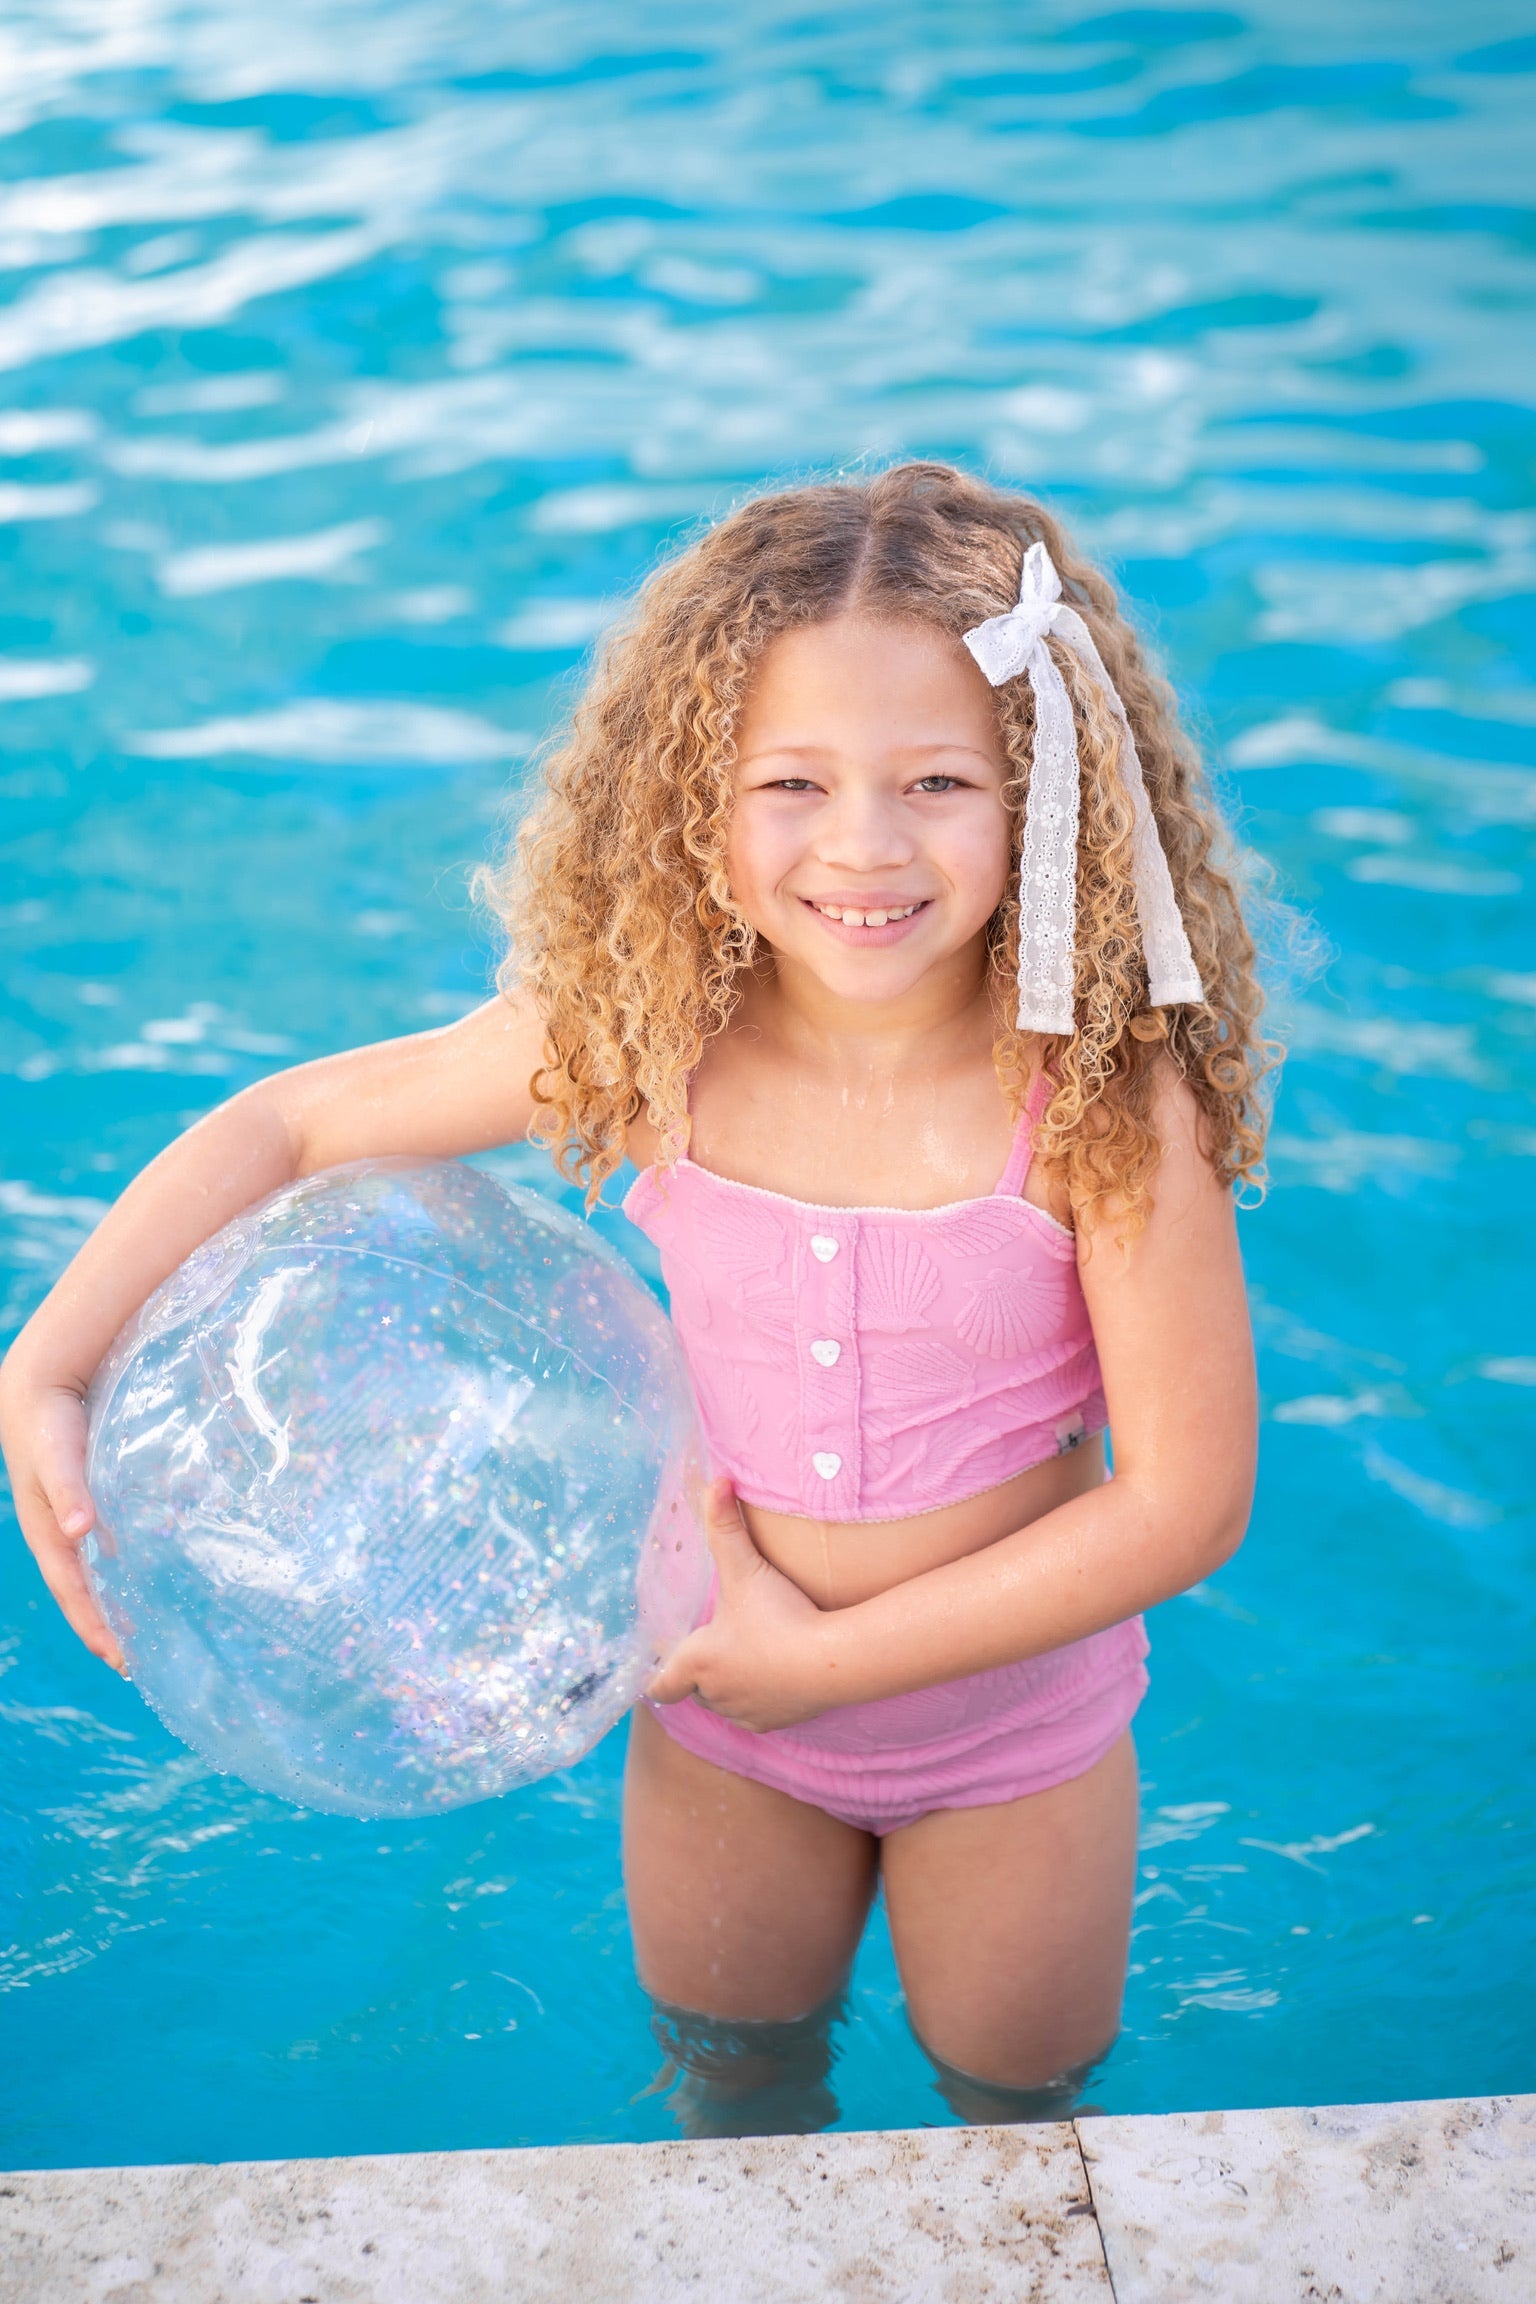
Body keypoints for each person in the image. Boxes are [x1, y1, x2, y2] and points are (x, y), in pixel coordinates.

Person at [0, 462, 1269, 2133]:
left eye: (942, 780)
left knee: (1016, 2116)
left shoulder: (1107, 1104)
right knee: (731, 2097)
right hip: (722, 1732)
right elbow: (291, 1123)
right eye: (791, 782)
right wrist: (51, 1367)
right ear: (691, 799)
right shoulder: (655, 1039)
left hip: (1012, 1749)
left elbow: (1187, 1502)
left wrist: (831, 1662)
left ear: (1052, 797)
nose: (864, 845)